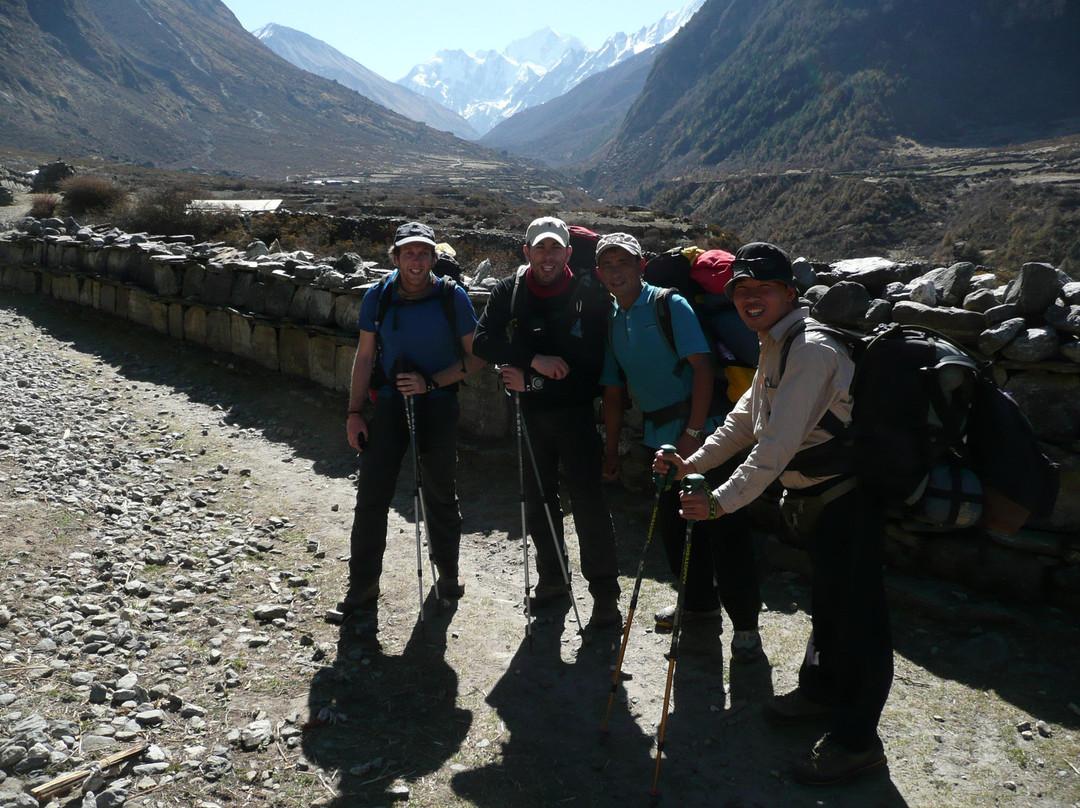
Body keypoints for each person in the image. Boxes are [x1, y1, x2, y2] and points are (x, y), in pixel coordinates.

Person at [655, 242, 892, 785]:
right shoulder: (775, 344)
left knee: (859, 620)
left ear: (790, 292)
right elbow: (744, 423)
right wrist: (690, 462)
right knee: (831, 604)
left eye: (762, 288)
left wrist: (716, 503)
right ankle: (822, 694)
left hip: (847, 501)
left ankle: (858, 742)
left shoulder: (808, 351)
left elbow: (772, 449)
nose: (749, 298)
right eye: (740, 289)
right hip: (824, 499)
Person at [595, 232, 763, 663]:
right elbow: (613, 393)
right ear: (599, 273)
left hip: (708, 435)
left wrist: (692, 432)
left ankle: (746, 626)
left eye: (624, 262)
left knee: (724, 527)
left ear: (641, 265)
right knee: (674, 530)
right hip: (659, 442)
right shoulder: (612, 318)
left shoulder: (670, 305)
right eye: (608, 264)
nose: (616, 271)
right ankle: (698, 607)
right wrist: (611, 453)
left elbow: (703, 369)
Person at [472, 216, 621, 628]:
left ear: (569, 253)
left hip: (572, 417)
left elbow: (591, 369)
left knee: (588, 504)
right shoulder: (511, 289)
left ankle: (605, 597)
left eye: (555, 248)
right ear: (527, 252)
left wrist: (530, 380)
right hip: (531, 417)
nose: (548, 256)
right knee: (539, 503)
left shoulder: (588, 293)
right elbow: (482, 341)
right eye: (540, 248)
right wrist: (534, 362)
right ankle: (553, 582)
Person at [339, 221, 485, 615]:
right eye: (408, 253)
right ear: (396, 257)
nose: (416, 260)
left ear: (435, 258)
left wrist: (431, 384)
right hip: (388, 404)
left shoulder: (452, 298)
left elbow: (476, 358)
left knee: (439, 490)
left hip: (438, 404)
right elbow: (365, 357)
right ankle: (363, 585)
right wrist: (355, 413)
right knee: (371, 497)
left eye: (423, 253)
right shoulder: (379, 296)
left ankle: (449, 575)